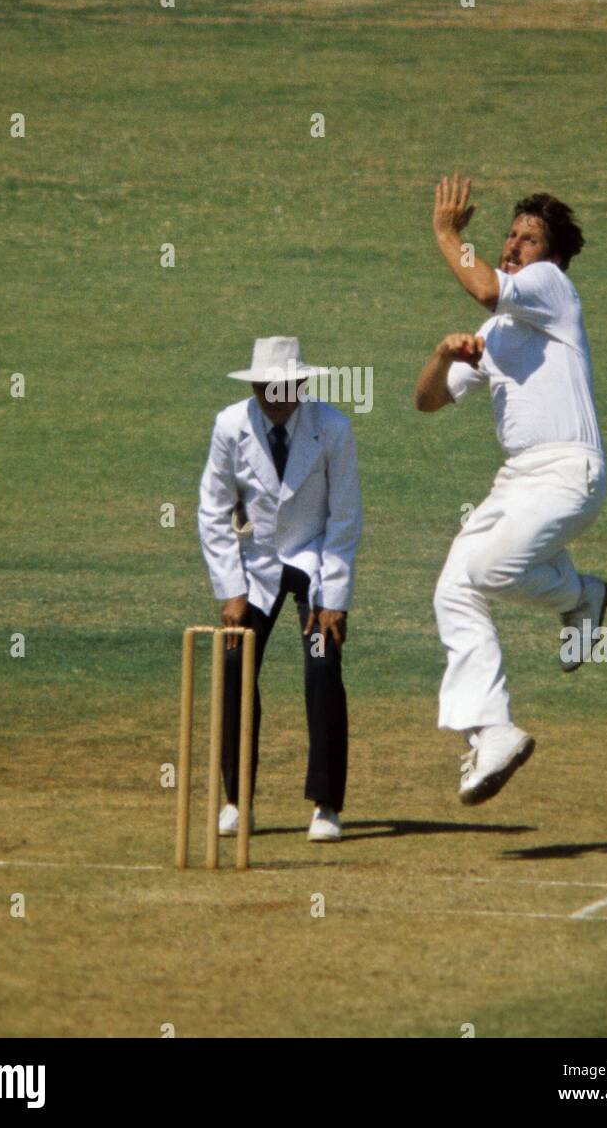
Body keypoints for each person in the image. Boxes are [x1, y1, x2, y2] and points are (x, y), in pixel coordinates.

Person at [414, 176, 607, 805]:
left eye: (529, 239)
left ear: (549, 257)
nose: (514, 245)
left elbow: (483, 285)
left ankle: (582, 593)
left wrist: (447, 235)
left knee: (493, 569)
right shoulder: (497, 331)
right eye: (511, 234)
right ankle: (492, 731)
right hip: (518, 479)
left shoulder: (551, 287)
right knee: (454, 587)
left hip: (567, 469)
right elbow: (427, 402)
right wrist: (444, 355)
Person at [198, 336, 362, 841]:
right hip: (256, 564)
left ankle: (326, 805)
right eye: (264, 387)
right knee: (232, 665)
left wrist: (333, 599)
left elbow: (345, 517)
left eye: (283, 387)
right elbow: (213, 510)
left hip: (312, 561)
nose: (273, 396)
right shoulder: (231, 425)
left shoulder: (333, 428)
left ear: (301, 384)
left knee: (322, 663)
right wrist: (230, 589)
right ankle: (235, 800)